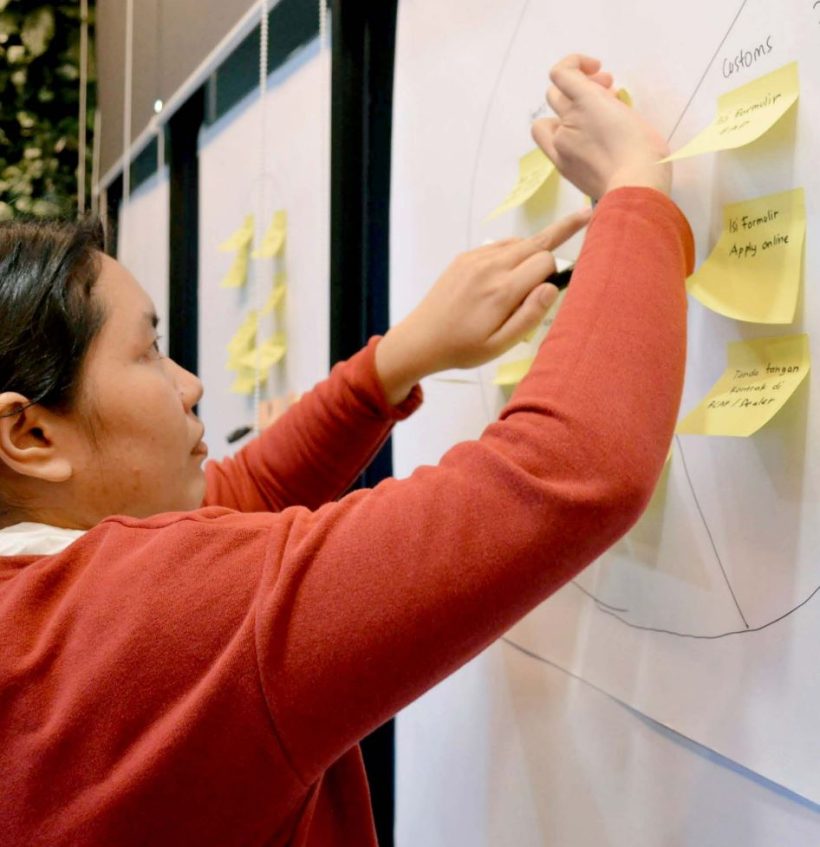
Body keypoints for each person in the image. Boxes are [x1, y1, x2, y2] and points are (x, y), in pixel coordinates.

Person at [0, 55, 693, 846]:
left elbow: (240, 491)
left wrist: (396, 360)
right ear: (30, 435)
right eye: (148, 352)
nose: (189, 384)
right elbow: (567, 470)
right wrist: (636, 190)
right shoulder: (147, 627)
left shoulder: (34, 603)